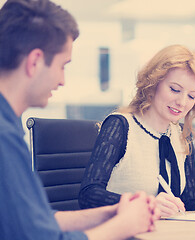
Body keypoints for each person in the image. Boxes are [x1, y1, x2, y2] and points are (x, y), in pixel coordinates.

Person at [0, 0, 158, 239]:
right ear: (34, 62)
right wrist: (125, 225)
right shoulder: (4, 137)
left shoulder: (8, 125)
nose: (62, 80)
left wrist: (111, 213)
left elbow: (35, 221)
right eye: (63, 66)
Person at [79, 44, 195, 217]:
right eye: (175, 89)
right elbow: (88, 195)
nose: (182, 102)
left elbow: (185, 201)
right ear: (153, 83)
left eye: (191, 96)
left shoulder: (182, 136)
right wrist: (144, 205)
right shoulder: (120, 126)